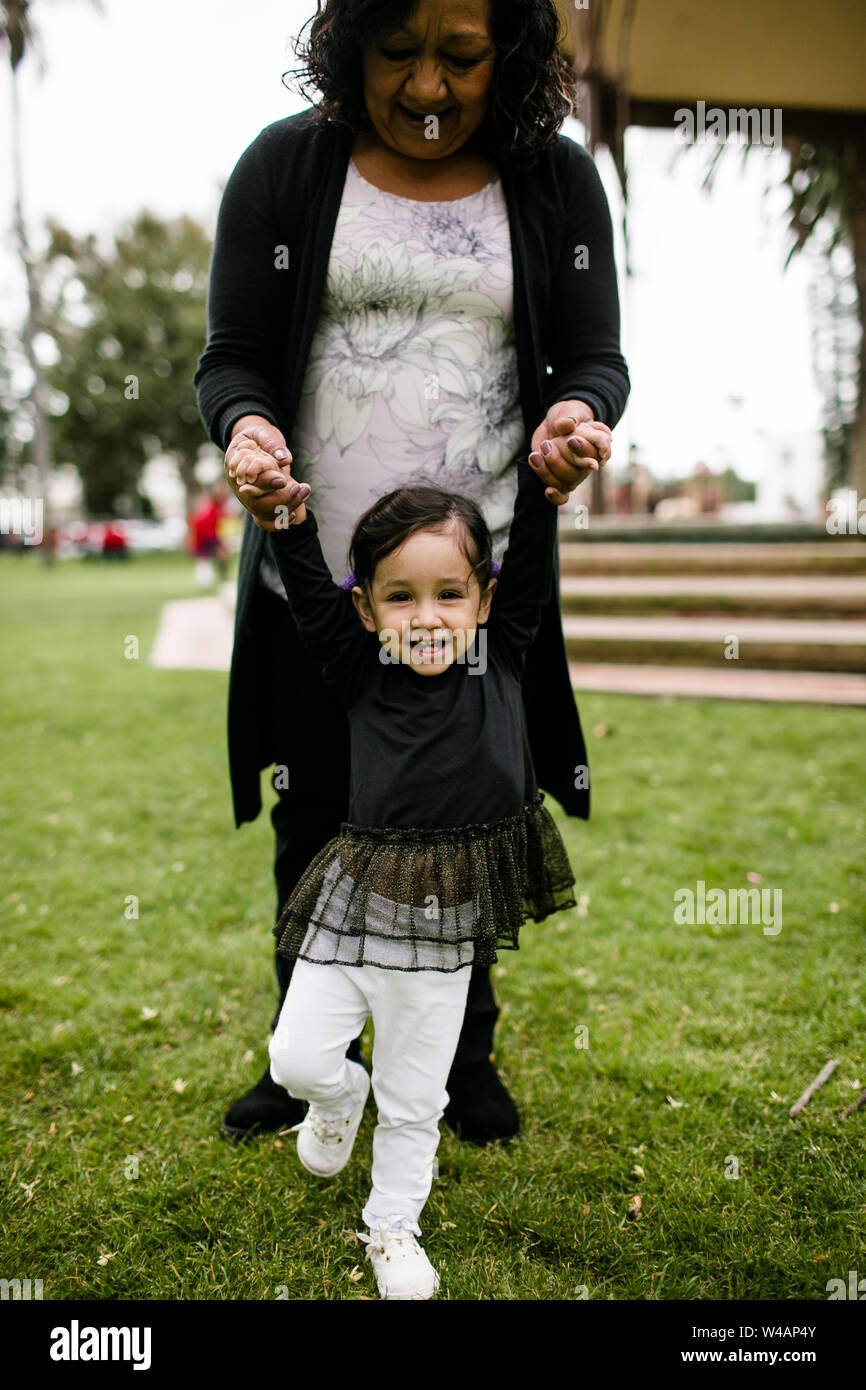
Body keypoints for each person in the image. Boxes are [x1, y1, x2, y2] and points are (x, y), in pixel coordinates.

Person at [194, 0, 630, 1147]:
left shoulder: (553, 182)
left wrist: (577, 414)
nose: (427, 87)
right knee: (318, 816)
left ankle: (460, 1053)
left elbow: (591, 355)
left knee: (467, 807)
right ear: (350, 46)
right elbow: (233, 355)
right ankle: (305, 1057)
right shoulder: (286, 171)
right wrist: (244, 428)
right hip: (315, 581)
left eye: (461, 56)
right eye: (397, 53)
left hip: (473, 588)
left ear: (513, 56)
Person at [229, 407, 609, 1296]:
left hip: (445, 934)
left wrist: (547, 485)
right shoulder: (358, 667)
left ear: (483, 598)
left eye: (449, 593)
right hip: (355, 906)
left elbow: (535, 554)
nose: (427, 616)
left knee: (417, 1101)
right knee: (298, 1058)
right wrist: (283, 515)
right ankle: (335, 1101)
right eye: (400, 596)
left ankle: (392, 1228)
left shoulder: (504, 652)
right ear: (366, 608)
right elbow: (302, 575)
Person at [187, 481, 230, 585]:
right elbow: (201, 523)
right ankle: (207, 581)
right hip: (204, 536)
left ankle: (220, 579)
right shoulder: (209, 506)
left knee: (219, 557)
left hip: (210, 534)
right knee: (204, 559)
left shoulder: (219, 506)